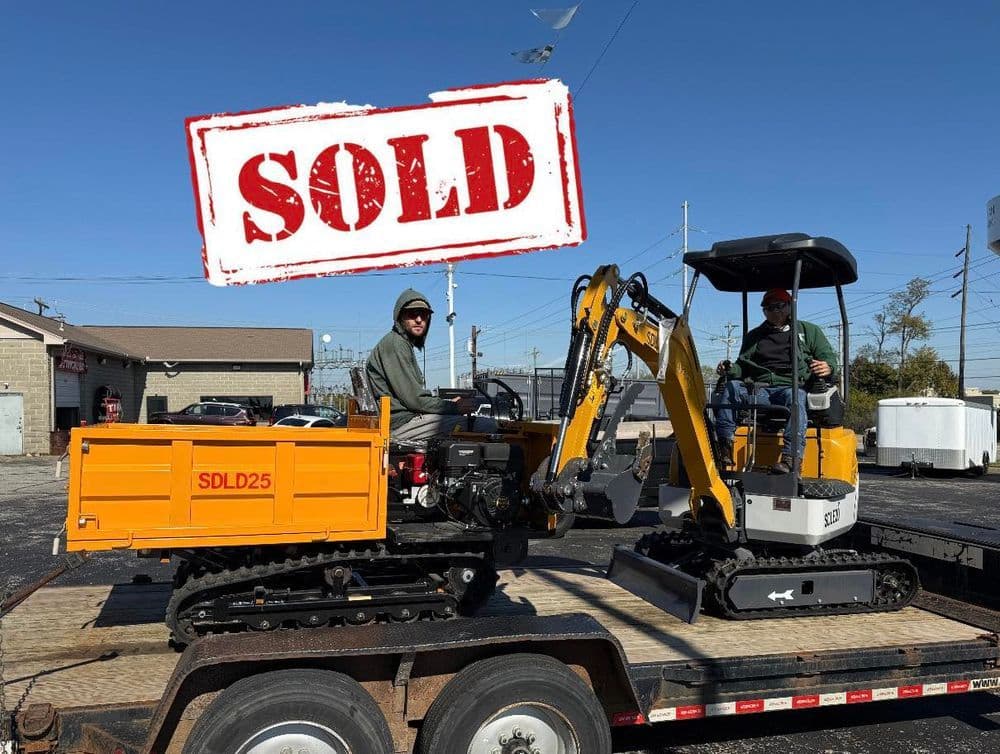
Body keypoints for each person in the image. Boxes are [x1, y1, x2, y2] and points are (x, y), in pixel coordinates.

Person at [714, 289, 836, 474]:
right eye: (769, 308)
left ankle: (791, 458)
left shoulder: (808, 332)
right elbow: (742, 366)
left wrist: (828, 367)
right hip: (760, 390)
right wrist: (729, 369)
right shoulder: (755, 336)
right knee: (731, 388)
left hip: (791, 387)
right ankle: (724, 446)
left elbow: (828, 358)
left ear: (790, 307)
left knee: (795, 397)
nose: (774, 311)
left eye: (779, 306)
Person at [366, 288, 497, 443]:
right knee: (486, 426)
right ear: (400, 317)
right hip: (400, 424)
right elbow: (414, 400)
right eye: (412, 314)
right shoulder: (396, 344)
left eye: (424, 314)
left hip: (402, 420)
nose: (419, 319)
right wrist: (453, 407)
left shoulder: (400, 343)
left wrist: (449, 406)